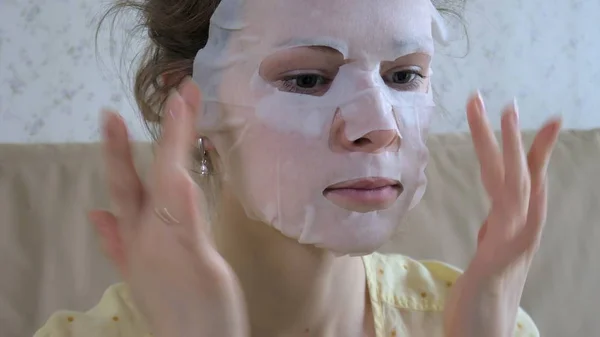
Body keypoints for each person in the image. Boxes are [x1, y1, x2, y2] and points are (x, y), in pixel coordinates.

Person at [35, 0, 562, 336]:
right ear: (191, 106)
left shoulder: (482, 319)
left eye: (403, 76)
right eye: (308, 80)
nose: (380, 127)